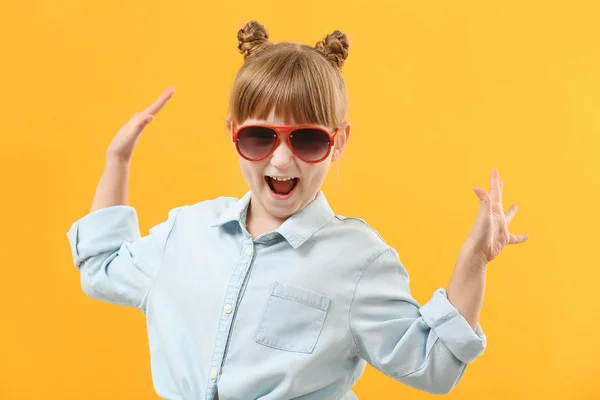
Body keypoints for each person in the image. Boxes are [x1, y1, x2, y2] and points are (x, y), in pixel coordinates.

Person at [66, 20, 528, 400]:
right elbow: (102, 268)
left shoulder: (358, 260)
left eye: (307, 140)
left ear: (339, 141)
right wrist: (117, 160)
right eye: (258, 137)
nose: (281, 160)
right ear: (233, 132)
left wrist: (473, 263)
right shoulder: (186, 233)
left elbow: (435, 366)